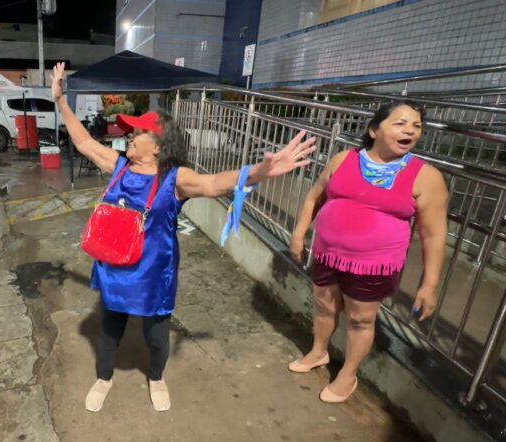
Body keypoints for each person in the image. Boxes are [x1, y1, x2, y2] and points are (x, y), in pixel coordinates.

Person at [50, 62, 317, 412]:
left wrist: (260, 171)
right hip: (114, 265)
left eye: (138, 133)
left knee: (156, 335)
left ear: (159, 146)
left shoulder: (176, 179)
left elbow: (214, 182)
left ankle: (157, 376)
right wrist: (60, 100)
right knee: (109, 330)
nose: (129, 135)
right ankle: (104, 377)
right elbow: (83, 141)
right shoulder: (117, 166)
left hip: (153, 272)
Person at [288, 101, 449, 403]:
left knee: (361, 320)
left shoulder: (426, 177)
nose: (410, 131)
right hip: (327, 253)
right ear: (374, 129)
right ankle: (318, 351)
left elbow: (434, 234)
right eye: (401, 123)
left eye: (416, 126)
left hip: (375, 265)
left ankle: (348, 375)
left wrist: (430, 285)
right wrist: (299, 233)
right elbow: (314, 197)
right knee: (324, 306)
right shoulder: (342, 159)